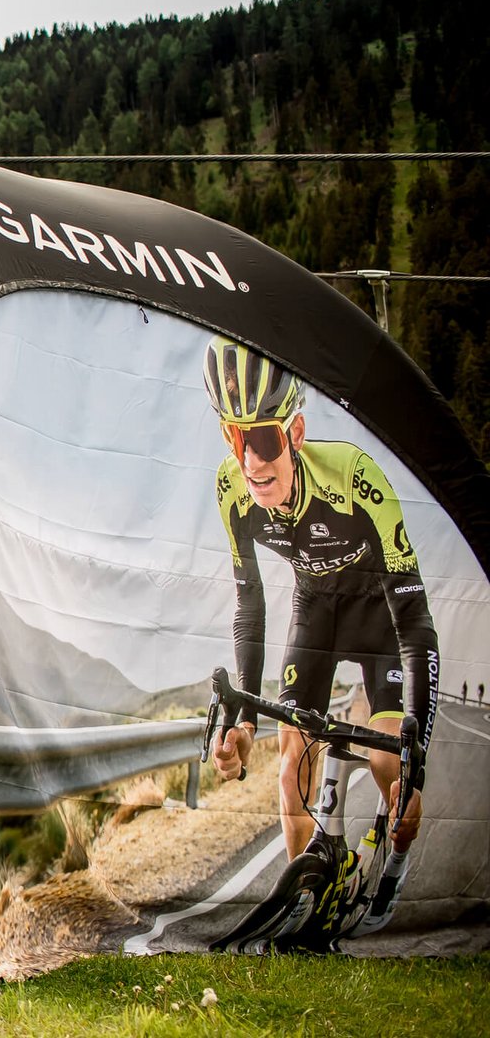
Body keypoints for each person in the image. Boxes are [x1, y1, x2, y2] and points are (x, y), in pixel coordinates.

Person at [202, 336, 436, 923]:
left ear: (296, 434)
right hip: (315, 610)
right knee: (290, 769)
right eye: (235, 437)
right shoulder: (232, 491)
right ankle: (310, 905)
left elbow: (414, 617)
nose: (250, 460)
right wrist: (242, 722)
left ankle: (395, 868)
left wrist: (417, 746)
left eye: (263, 438)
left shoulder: (356, 479)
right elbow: (249, 607)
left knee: (391, 773)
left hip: (377, 612)